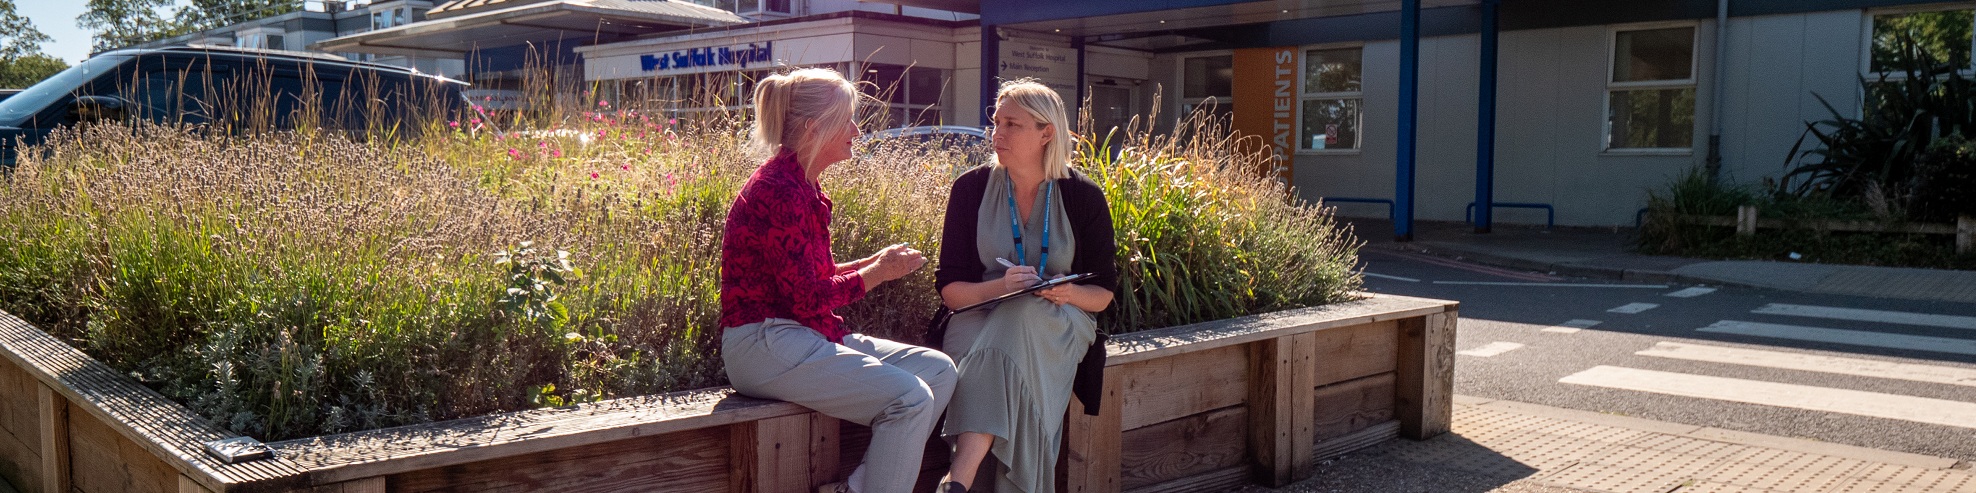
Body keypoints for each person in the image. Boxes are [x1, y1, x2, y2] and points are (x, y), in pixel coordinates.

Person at [718, 67, 958, 493]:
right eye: (847, 119)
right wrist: (875, 274)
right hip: (763, 345)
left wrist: (873, 262)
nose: (856, 129)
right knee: (910, 398)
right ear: (814, 128)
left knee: (938, 371)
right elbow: (806, 297)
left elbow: (809, 280)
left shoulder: (801, 184)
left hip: (795, 335)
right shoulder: (780, 190)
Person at [933, 79, 1119, 493]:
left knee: (1021, 315)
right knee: (981, 339)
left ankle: (958, 478)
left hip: (1061, 315)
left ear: (1046, 133)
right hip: (979, 306)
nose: (996, 134)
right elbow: (950, 290)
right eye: (995, 122)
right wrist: (998, 289)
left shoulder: (1084, 196)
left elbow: (1103, 293)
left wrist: (1063, 291)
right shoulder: (970, 189)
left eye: (1012, 124)